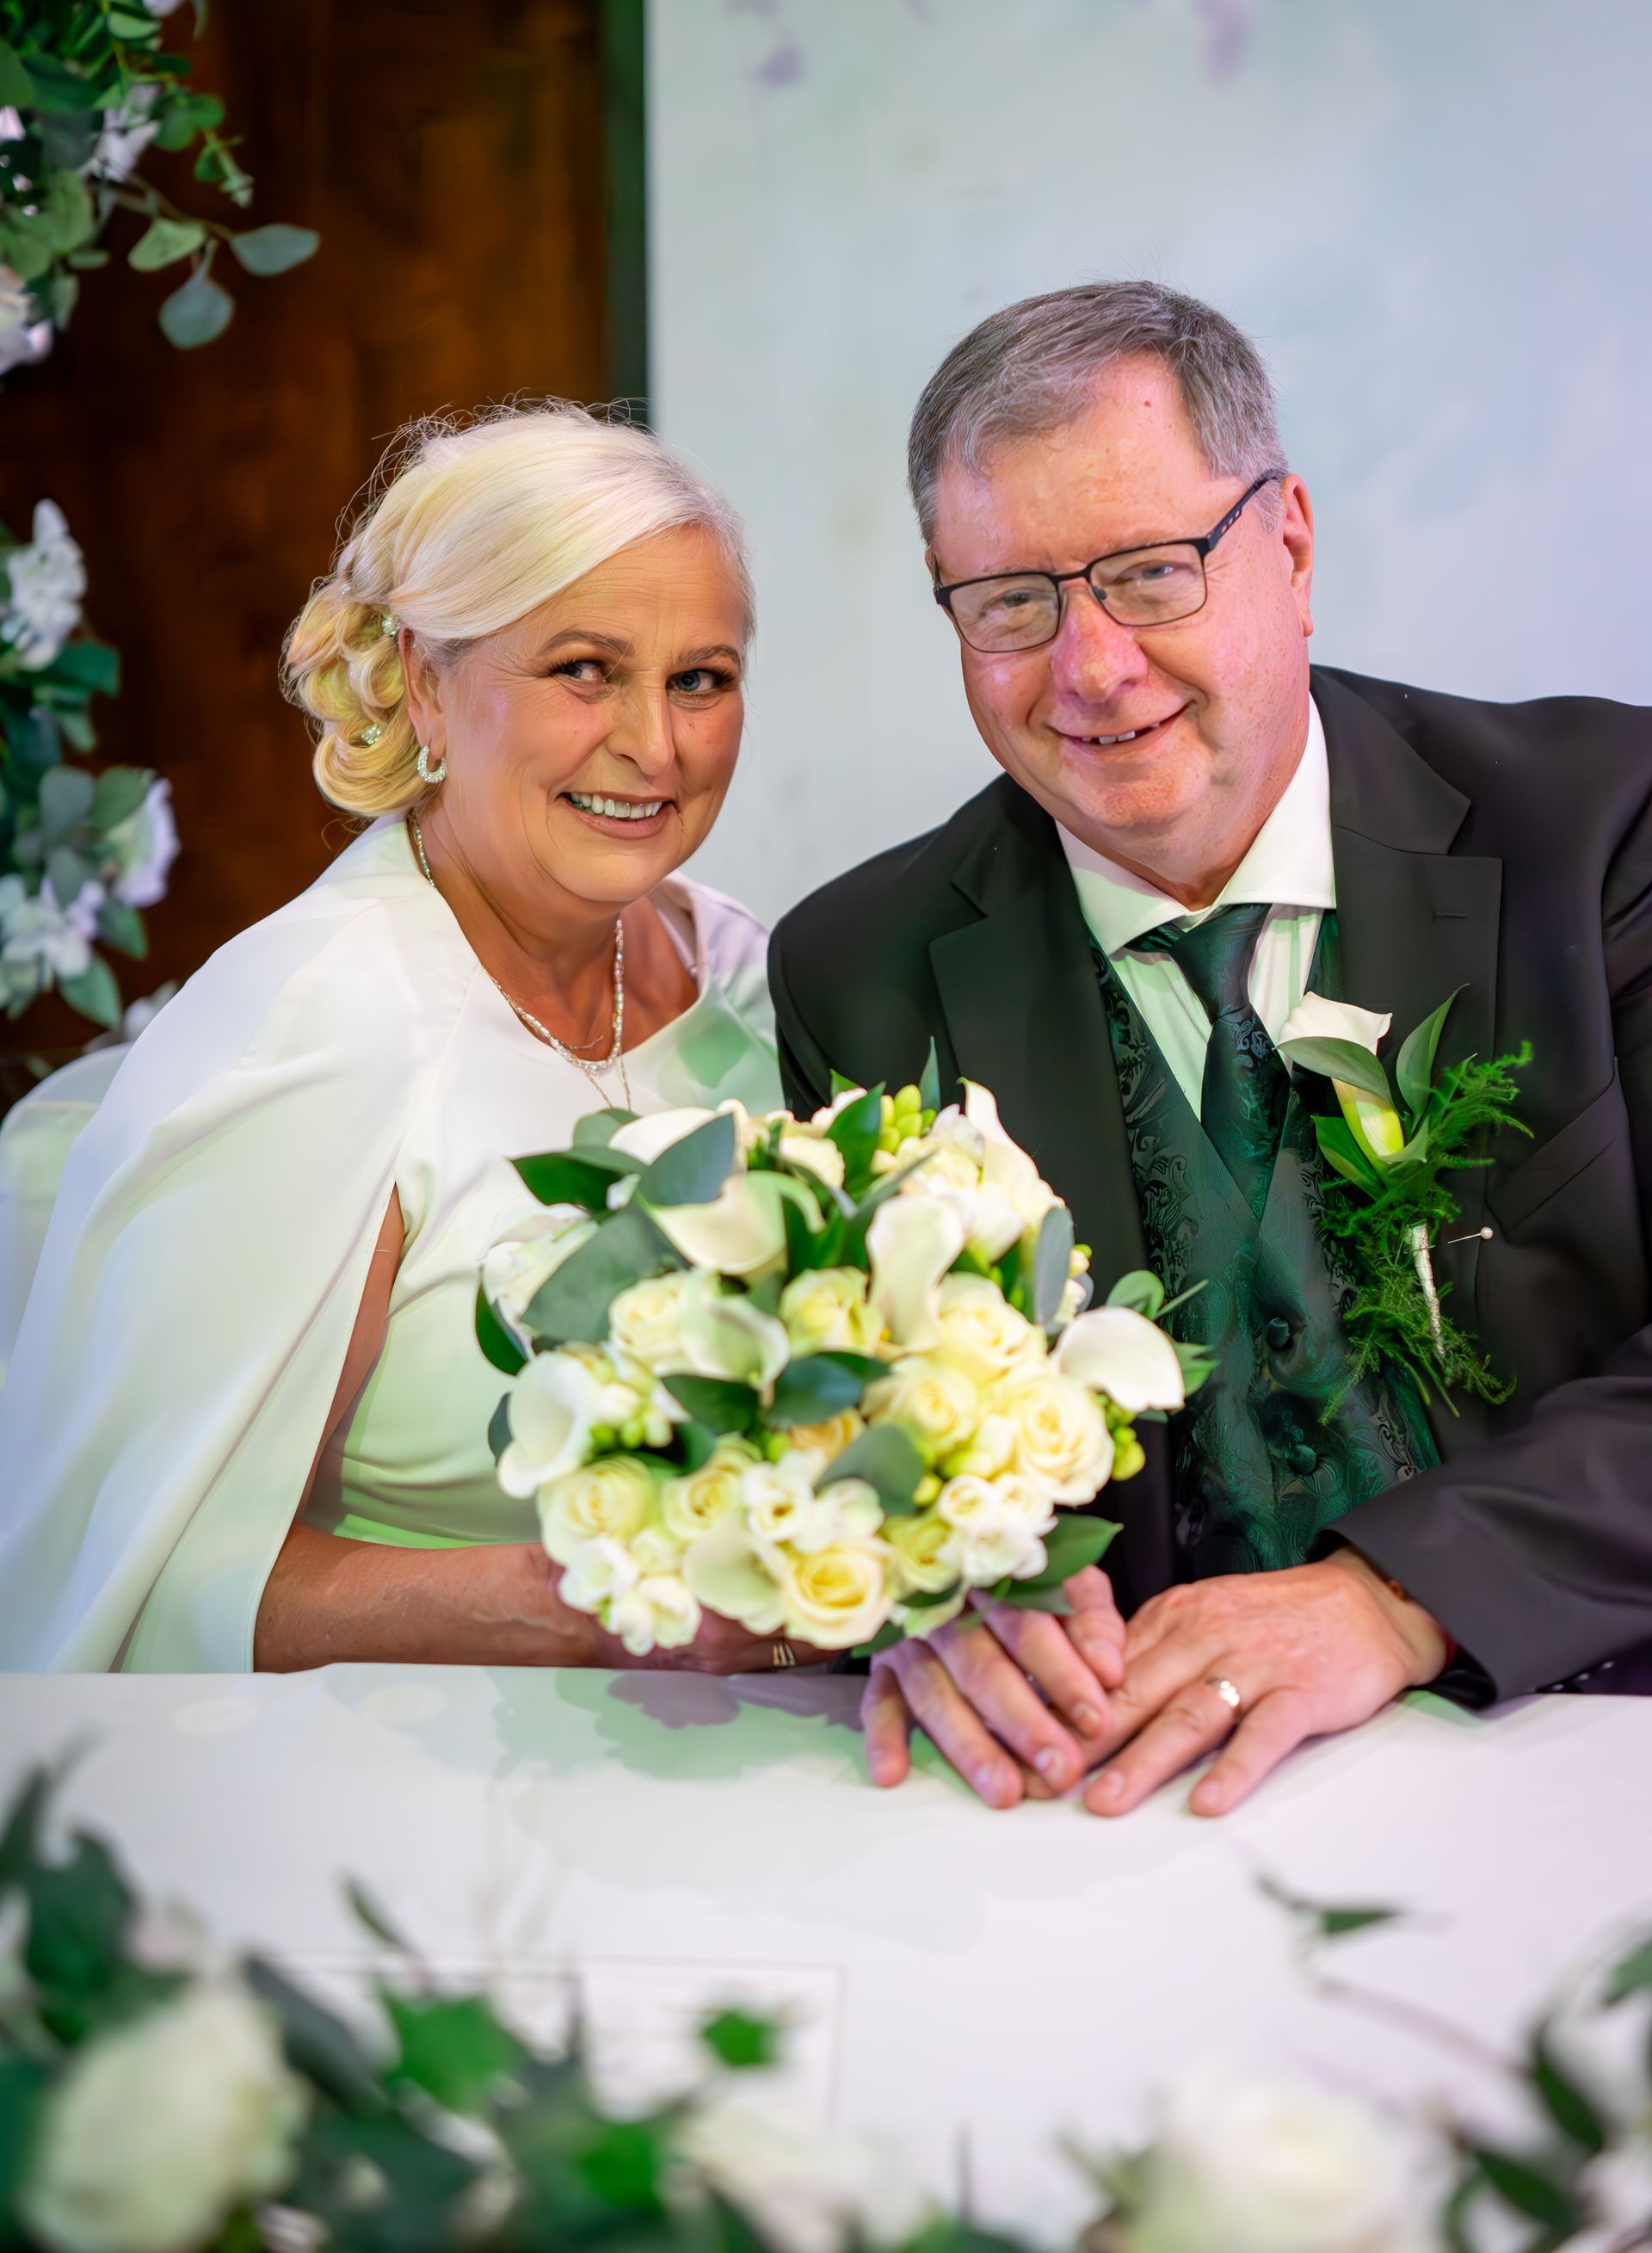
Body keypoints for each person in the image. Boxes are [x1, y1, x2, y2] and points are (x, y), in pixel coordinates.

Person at [769, 280, 1652, 1818]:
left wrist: (1396, 1598)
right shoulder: (861, 973)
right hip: (1123, 1811)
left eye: (1153, 573)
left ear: (1292, 543)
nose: (1091, 669)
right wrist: (926, 1591)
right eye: (1012, 602)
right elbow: (875, 1441)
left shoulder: (1608, 831)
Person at [0, 404, 795, 1676]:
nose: (656, 743)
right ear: (428, 682)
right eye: (584, 669)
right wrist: (582, 1605)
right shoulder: (317, 1026)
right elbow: (133, 1587)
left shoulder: (751, 977)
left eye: (700, 678)